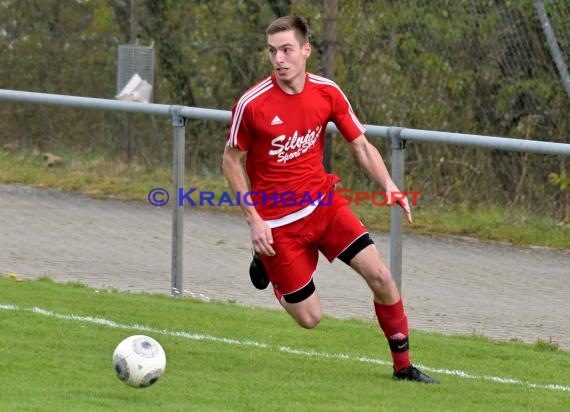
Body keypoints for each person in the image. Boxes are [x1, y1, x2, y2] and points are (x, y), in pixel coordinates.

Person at [222, 15, 438, 383]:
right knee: (310, 318)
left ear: (306, 50)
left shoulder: (327, 92)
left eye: (287, 50)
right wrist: (254, 220)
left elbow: (361, 145)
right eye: (273, 51)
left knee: (382, 276)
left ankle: (403, 368)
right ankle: (268, 263)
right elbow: (230, 160)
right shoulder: (252, 104)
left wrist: (388, 184)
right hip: (278, 225)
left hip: (324, 206)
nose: (279, 59)